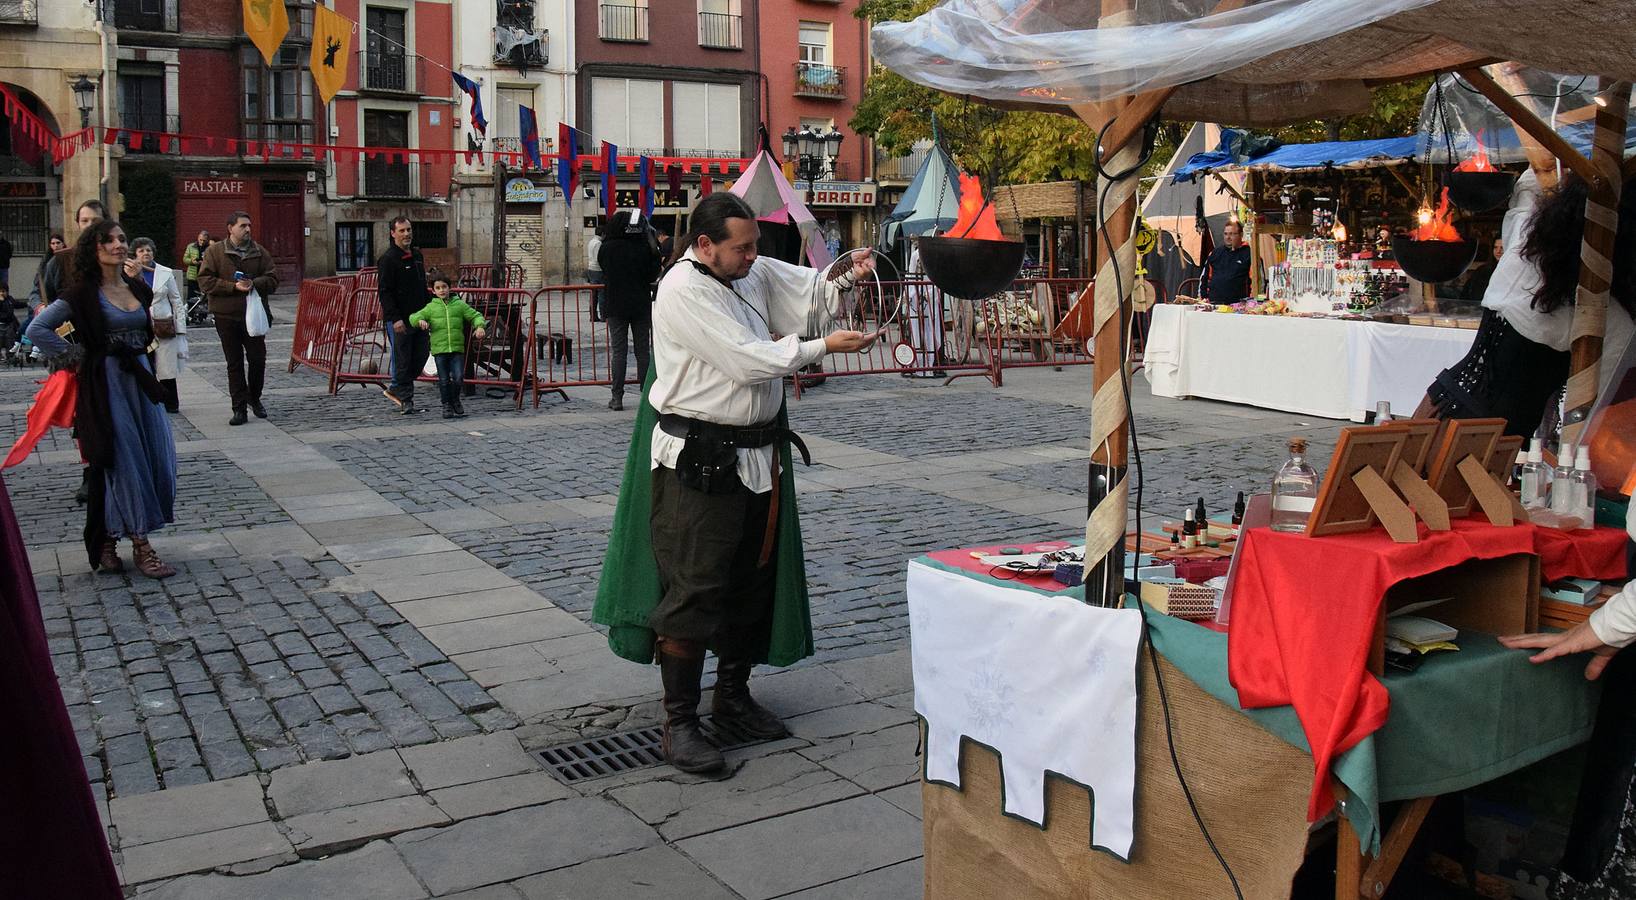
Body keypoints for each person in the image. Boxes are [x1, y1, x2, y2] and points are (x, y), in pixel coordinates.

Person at [597, 192, 879, 776]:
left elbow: (807, 291)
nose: (754, 256)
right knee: (696, 585)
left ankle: (731, 697)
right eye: (742, 247)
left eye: (755, 245)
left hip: (756, 458)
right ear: (705, 245)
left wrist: (846, 275)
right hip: (699, 460)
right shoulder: (683, 291)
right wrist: (825, 346)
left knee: (750, 581)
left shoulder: (747, 269)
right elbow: (749, 359)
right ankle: (680, 723)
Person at [1420, 171, 1636, 437]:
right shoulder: (1605, 314)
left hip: (1439, 403)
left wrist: (1569, 168)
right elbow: (1602, 401)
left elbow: (1531, 183)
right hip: (1493, 437)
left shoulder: (1523, 247)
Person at [26, 220, 177, 578]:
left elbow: (145, 335)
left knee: (158, 458)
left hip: (139, 383)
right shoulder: (81, 294)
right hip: (106, 387)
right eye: (108, 240)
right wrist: (81, 357)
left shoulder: (137, 288)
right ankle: (141, 544)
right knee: (123, 461)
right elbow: (38, 330)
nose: (118, 245)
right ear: (93, 249)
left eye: (122, 239)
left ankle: (109, 538)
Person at [197, 210, 278, 426]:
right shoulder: (215, 252)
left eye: (249, 225)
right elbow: (205, 281)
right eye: (243, 226)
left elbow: (273, 279)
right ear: (230, 228)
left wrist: (254, 283)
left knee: (258, 359)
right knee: (234, 363)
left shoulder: (260, 252)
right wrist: (232, 287)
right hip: (226, 315)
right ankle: (239, 407)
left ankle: (255, 397)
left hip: (254, 315)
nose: (248, 229)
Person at [598, 211, 662, 410]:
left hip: (616, 305)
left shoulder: (606, 248)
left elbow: (603, 270)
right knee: (643, 352)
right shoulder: (643, 248)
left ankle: (617, 397)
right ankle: (646, 396)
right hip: (640, 304)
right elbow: (653, 273)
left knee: (619, 352)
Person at [408, 269, 486, 419]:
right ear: (433, 290)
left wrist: (480, 326)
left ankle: (455, 399)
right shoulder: (431, 307)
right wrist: (420, 321)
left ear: (449, 287)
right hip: (439, 349)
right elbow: (414, 317)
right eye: (438, 288)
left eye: (444, 287)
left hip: (456, 348)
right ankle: (446, 405)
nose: (442, 290)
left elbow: (475, 315)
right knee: (443, 380)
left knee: (458, 377)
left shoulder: (459, 305)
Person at [376, 216, 431, 415]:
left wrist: (430, 308)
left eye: (408, 230)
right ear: (393, 234)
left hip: (420, 316)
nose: (406, 234)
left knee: (421, 355)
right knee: (403, 359)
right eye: (402, 231)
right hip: (400, 319)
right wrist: (394, 318)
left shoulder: (417, 255)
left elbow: (421, 286)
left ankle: (397, 388)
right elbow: (384, 291)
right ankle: (406, 399)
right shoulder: (388, 259)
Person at [127, 237, 186, 413]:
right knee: (146, 364)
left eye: (149, 250)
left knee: (166, 368)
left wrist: (181, 329)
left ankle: (171, 403)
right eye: (141, 251)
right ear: (135, 254)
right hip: (141, 326)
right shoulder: (128, 273)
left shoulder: (165, 273)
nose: (146, 253)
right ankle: (151, 402)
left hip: (163, 325)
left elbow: (176, 300)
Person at [903, 234, 946, 378]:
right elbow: (911, 274)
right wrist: (913, 294)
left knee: (932, 329)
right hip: (917, 295)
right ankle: (918, 363)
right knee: (917, 331)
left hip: (930, 294)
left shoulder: (934, 255)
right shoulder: (916, 255)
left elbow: (936, 277)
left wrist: (930, 292)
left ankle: (931, 363)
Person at [1201, 219, 1251, 302]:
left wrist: (1251, 303)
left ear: (1241, 235)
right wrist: (1204, 298)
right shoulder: (1215, 253)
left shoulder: (1249, 254)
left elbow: (1257, 282)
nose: (1228, 237)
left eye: (1232, 234)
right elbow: (1205, 278)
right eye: (1225, 234)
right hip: (1214, 305)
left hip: (1239, 307)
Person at [1460, 234, 1504, 303]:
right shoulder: (1483, 269)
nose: (1498, 251)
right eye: (1495, 247)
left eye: (1502, 248)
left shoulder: (1511, 271)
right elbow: (1467, 292)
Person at [181, 229, 210, 301]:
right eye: (201, 240)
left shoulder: (210, 248)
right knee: (191, 297)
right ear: (198, 238)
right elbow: (185, 259)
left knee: (203, 298)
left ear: (207, 240)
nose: (202, 242)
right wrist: (192, 261)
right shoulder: (191, 246)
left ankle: (202, 312)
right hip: (192, 276)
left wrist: (204, 263)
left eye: (204, 241)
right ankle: (191, 311)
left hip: (204, 276)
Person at [586, 227, 604, 323]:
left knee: (593, 294)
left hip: (591, 268)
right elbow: (598, 258)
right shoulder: (598, 243)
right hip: (598, 270)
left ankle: (592, 315)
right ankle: (603, 315)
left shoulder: (591, 241)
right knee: (601, 293)